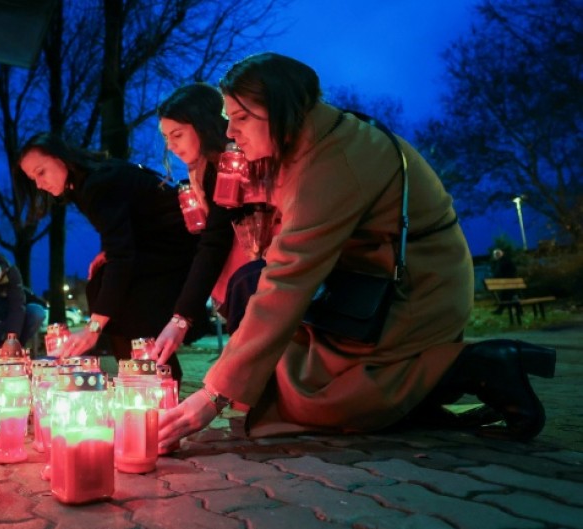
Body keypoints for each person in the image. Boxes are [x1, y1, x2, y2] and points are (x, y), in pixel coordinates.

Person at [158, 53, 556, 447]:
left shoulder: (333, 160)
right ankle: (427, 392)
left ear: (278, 109)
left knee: (321, 400)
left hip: (415, 289)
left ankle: (478, 366)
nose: (231, 133)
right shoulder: (307, 143)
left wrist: (213, 396)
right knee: (284, 372)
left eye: (241, 119)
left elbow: (288, 277)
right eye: (229, 121)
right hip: (364, 284)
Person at [17, 133, 206, 382]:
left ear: (61, 158)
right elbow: (127, 226)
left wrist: (93, 328)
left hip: (180, 246)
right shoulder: (85, 184)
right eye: (33, 179)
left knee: (113, 291)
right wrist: (109, 251)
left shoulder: (96, 185)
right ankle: (144, 375)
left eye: (41, 172)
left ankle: (154, 378)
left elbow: (123, 256)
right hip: (159, 245)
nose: (39, 184)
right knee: (102, 282)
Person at [151, 83, 266, 363]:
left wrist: (181, 318)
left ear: (203, 125)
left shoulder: (230, 166)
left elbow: (215, 241)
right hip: (242, 288)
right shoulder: (200, 174)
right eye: (166, 138)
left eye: (177, 134)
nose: (171, 145)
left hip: (259, 288)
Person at [489, 248, 520, 315]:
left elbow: (498, 273)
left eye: (495, 255)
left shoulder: (502, 262)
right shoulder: (506, 260)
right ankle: (501, 310)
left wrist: (494, 279)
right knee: (507, 296)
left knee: (507, 296)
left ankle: (500, 310)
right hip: (511, 283)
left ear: (498, 255)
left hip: (508, 283)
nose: (494, 256)